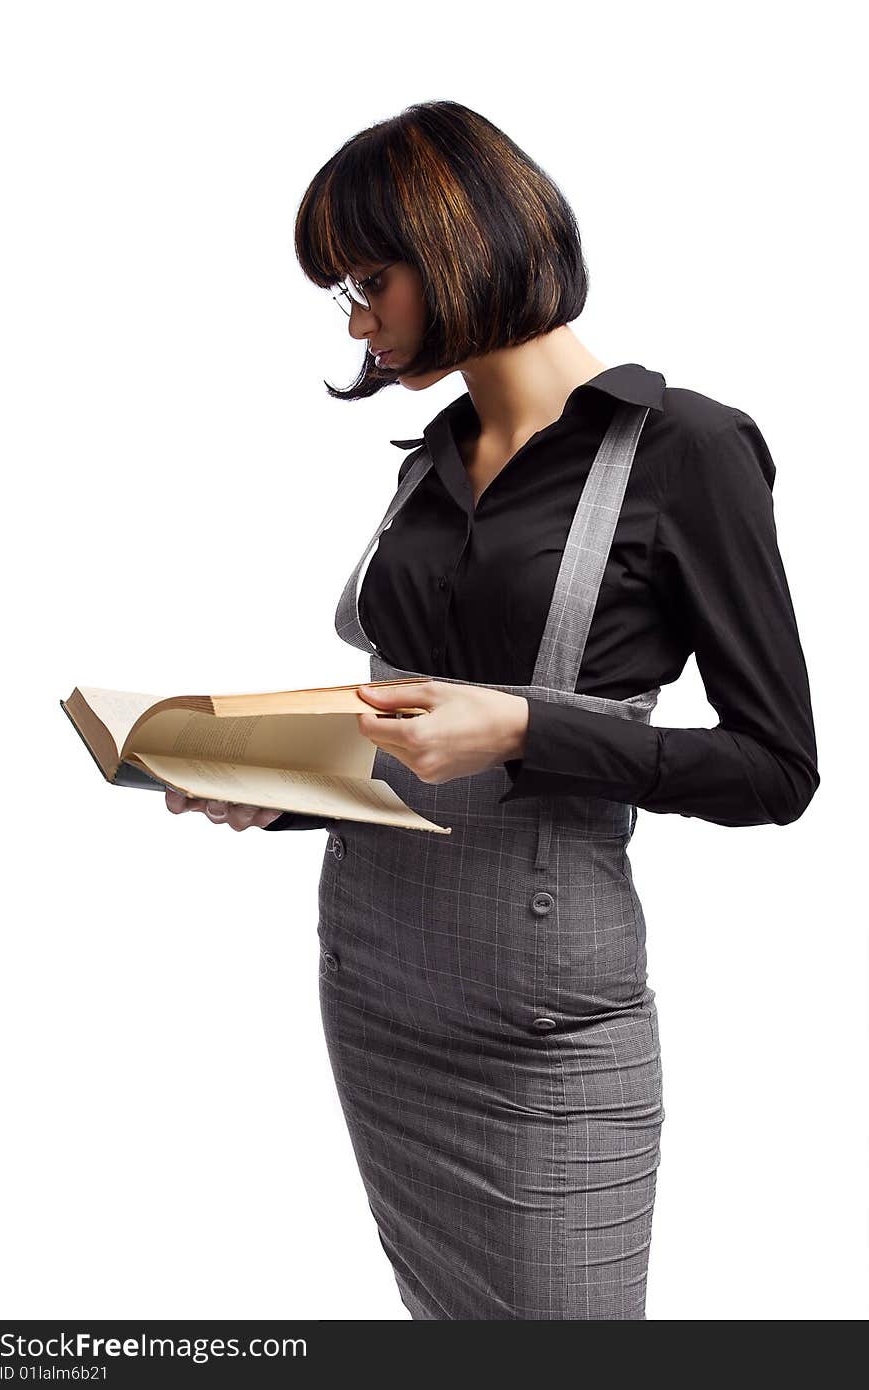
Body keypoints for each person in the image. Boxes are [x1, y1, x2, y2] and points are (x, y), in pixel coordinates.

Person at [165, 100, 819, 1319]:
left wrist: (524, 727)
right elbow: (409, 741)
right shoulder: (428, 463)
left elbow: (776, 769)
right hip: (374, 988)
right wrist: (277, 786)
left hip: (543, 1021)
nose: (358, 318)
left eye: (370, 278)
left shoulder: (689, 451)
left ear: (462, 246)